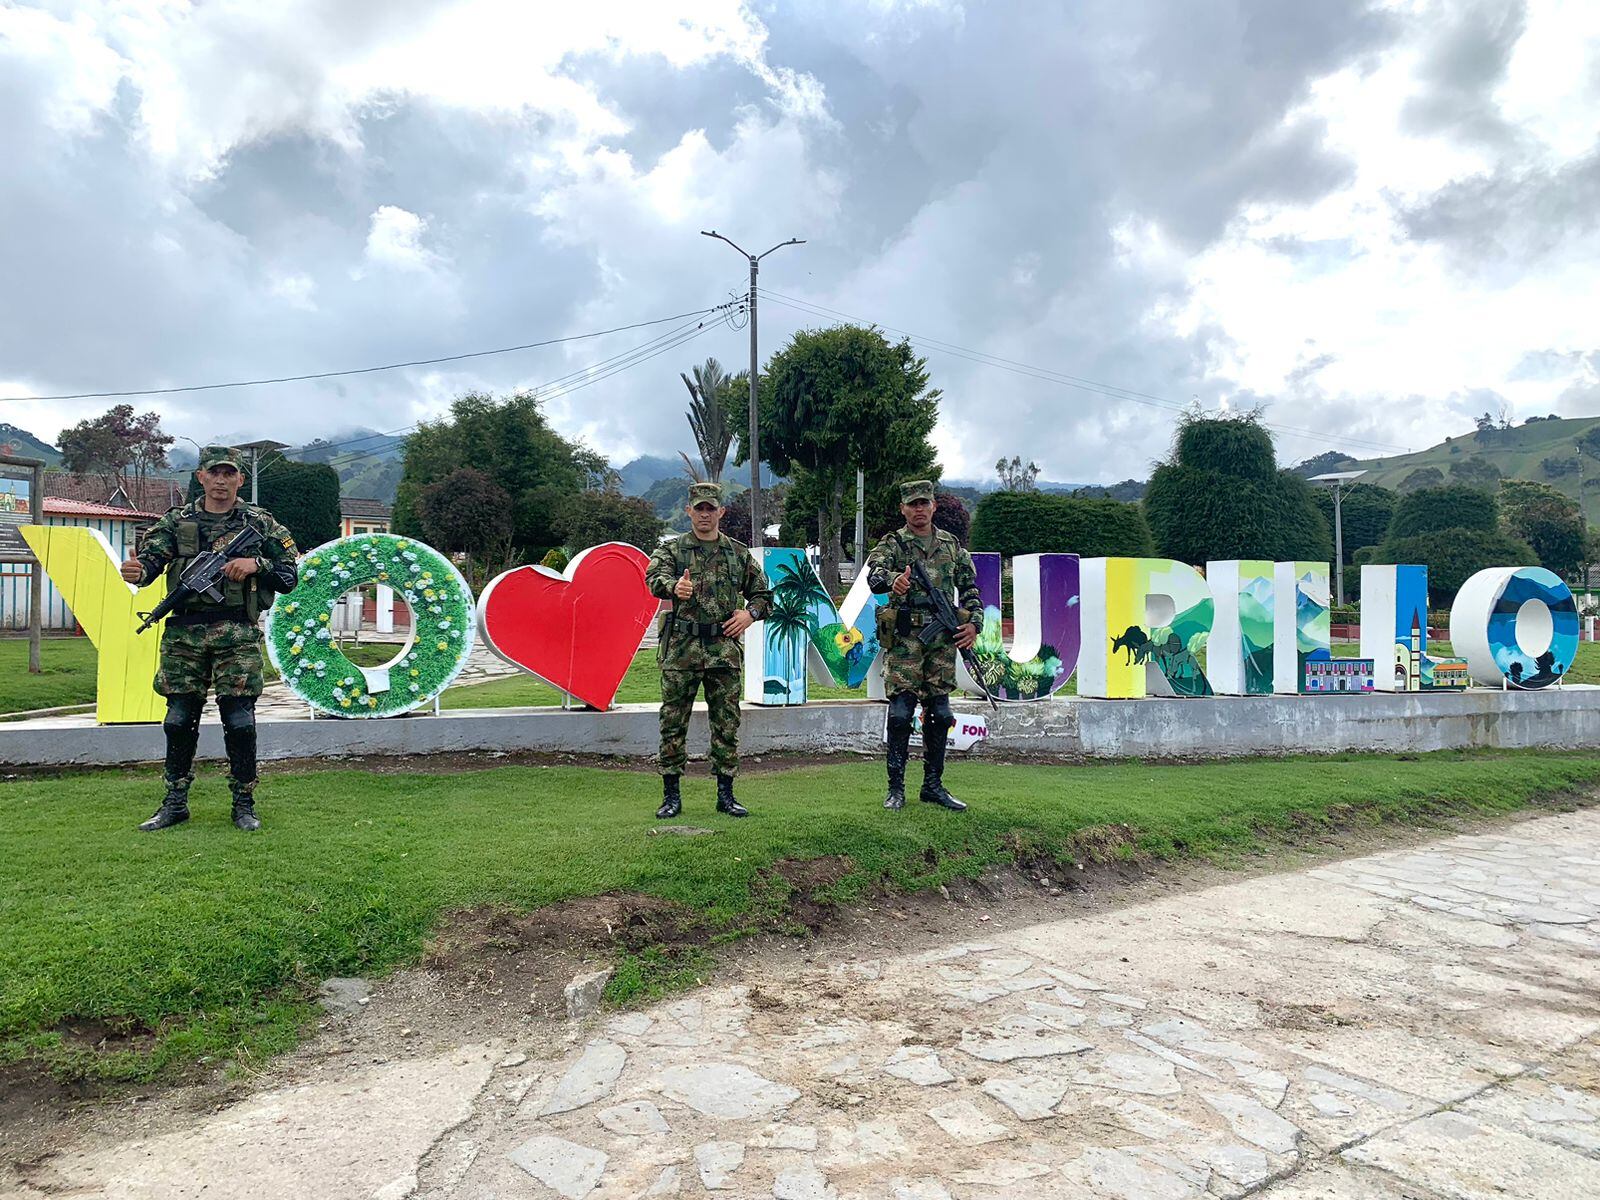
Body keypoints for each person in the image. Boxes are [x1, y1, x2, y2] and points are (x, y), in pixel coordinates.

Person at [120, 447, 299, 832]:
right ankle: (175, 802)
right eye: (213, 473)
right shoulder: (176, 521)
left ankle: (244, 803)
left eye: (228, 473)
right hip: (183, 633)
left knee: (240, 720)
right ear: (200, 477)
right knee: (178, 719)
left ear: (240, 479)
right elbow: (151, 562)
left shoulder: (259, 523)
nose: (221, 480)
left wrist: (257, 564)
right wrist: (137, 572)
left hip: (236, 633)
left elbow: (289, 576)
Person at [645, 481, 773, 819]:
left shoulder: (737, 553)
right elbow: (653, 578)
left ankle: (726, 795)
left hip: (723, 651)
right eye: (699, 508)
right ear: (688, 511)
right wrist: (674, 586)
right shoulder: (672, 551)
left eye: (710, 508)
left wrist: (749, 614)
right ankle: (671, 796)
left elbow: (763, 594)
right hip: (681, 651)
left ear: (721, 512)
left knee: (726, 723)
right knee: (673, 722)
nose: (705, 514)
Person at [866, 479, 982, 812]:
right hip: (905, 642)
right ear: (903, 508)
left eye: (924, 503)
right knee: (901, 714)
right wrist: (894, 580)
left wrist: (974, 623)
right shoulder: (894, 543)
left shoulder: (951, 545)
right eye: (913, 504)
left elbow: (970, 588)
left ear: (934, 506)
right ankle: (895, 789)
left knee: (941, 713)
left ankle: (933, 786)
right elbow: (873, 575)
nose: (919, 509)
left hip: (941, 641)